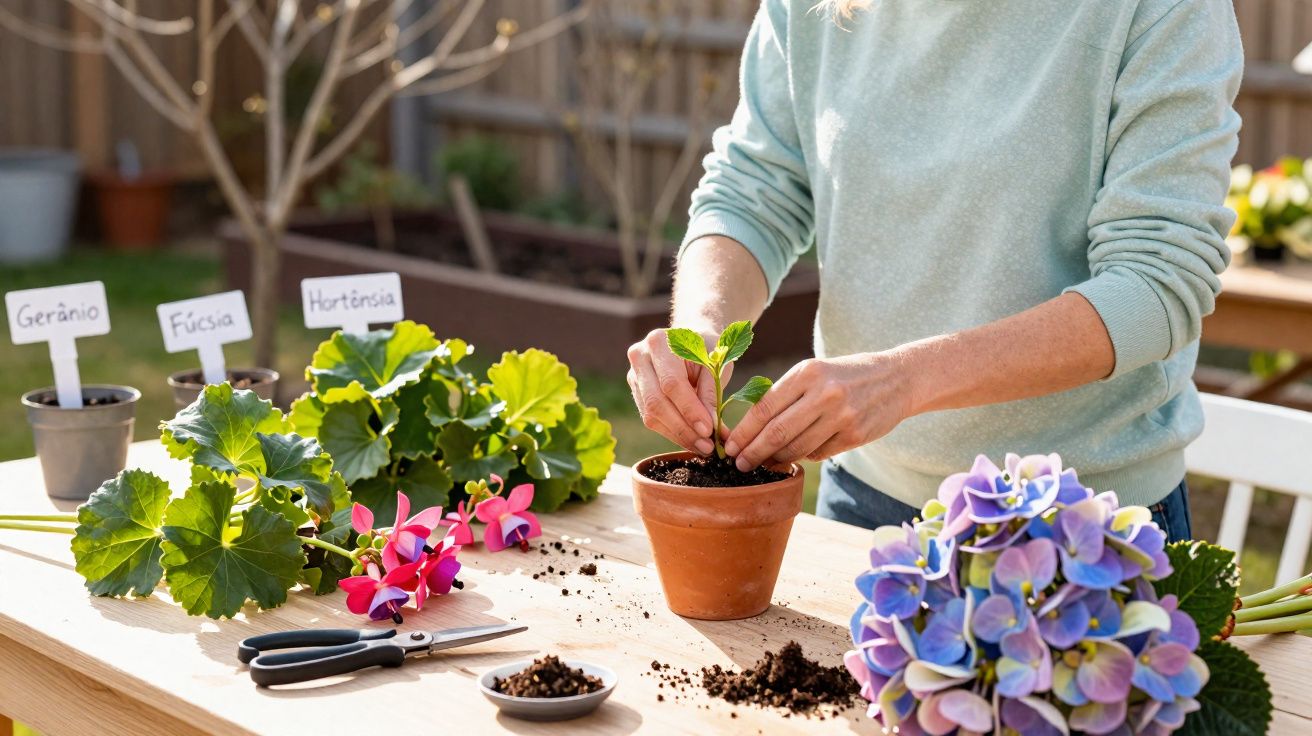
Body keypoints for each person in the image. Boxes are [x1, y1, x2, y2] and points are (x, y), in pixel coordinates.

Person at [625, 0, 1244, 542]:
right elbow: (753, 190)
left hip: (1081, 520)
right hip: (865, 496)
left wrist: (904, 381)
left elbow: (1157, 282)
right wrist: (703, 328)